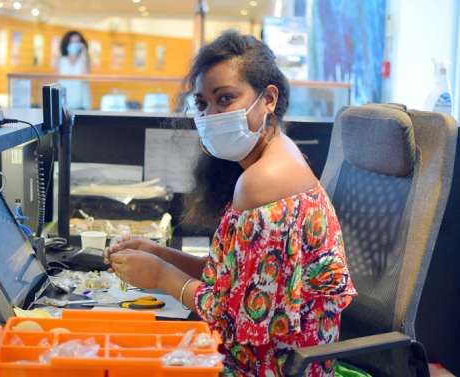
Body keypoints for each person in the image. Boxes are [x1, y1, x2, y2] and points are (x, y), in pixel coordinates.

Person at [104, 30, 356, 377]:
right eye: (203, 104)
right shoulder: (277, 155)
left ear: (268, 98)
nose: (211, 115)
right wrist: (159, 253)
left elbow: (234, 317)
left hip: (272, 368)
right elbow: (238, 278)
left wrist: (161, 276)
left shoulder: (262, 182)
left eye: (225, 99)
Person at [57, 30, 91, 109]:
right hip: (64, 101)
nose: (74, 45)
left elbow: (86, 78)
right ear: (67, 43)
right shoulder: (60, 60)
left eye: (77, 42)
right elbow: (57, 81)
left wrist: (84, 56)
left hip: (81, 101)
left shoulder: (85, 60)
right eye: (72, 42)